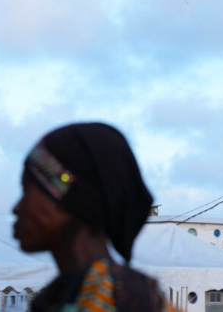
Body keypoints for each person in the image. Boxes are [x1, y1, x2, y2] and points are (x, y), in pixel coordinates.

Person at [13, 123, 174, 312]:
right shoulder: (60, 298)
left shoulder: (117, 301)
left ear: (72, 201)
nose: (16, 208)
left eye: (26, 190)